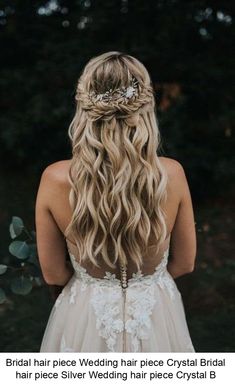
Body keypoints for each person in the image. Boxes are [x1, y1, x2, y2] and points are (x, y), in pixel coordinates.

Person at [36, 51, 196, 352]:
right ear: (145, 106)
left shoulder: (55, 179)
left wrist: (97, 286)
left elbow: (54, 273)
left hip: (84, 315)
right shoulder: (171, 174)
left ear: (83, 105)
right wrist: (144, 285)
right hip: (156, 313)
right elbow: (185, 262)